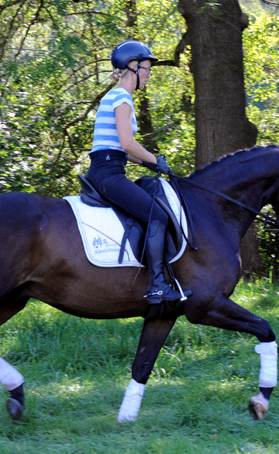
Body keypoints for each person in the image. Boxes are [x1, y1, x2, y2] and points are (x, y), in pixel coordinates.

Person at [86, 40, 190, 305]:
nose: (149, 74)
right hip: (107, 174)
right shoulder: (122, 97)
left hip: (108, 166)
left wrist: (149, 164)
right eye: (146, 68)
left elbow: (120, 148)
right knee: (157, 214)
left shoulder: (116, 96)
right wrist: (157, 158)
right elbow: (126, 143)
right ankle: (157, 286)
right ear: (132, 67)